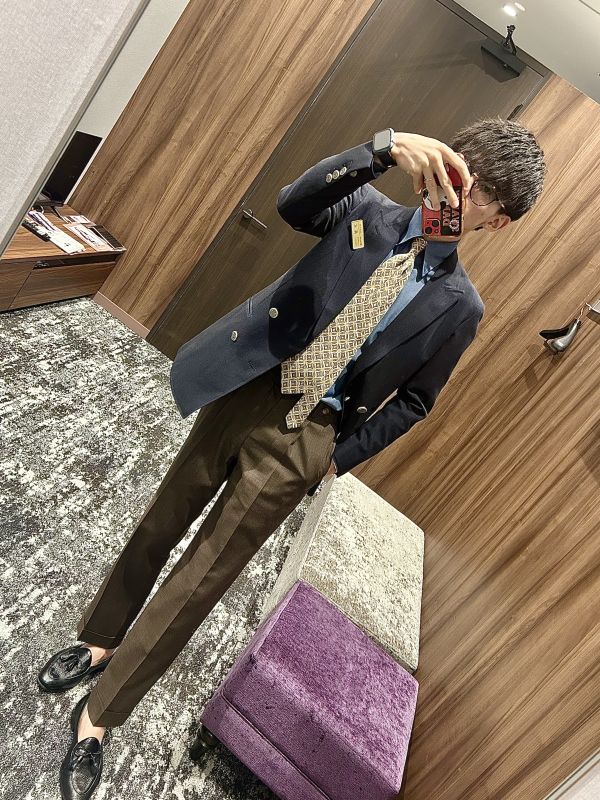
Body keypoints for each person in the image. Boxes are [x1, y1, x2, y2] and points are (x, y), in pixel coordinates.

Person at [38, 118, 546, 799]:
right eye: (460, 169)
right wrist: (380, 149)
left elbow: (416, 401)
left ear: (498, 222)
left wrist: (337, 456)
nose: (458, 192)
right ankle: (100, 637)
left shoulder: (461, 306)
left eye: (479, 193)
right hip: (247, 386)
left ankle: (101, 714)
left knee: (204, 575)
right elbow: (293, 203)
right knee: (163, 519)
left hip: (310, 434)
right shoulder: (366, 208)